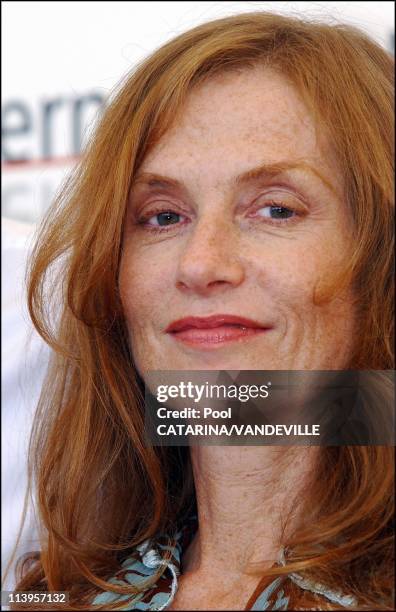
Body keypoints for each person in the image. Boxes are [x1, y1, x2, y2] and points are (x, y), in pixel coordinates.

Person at [8, 11, 394, 611]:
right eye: (163, 216)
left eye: (275, 210)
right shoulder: (62, 595)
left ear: (381, 258)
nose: (200, 263)